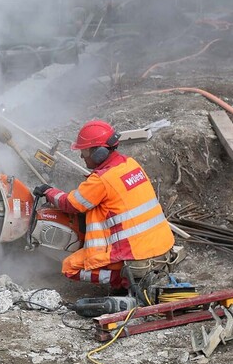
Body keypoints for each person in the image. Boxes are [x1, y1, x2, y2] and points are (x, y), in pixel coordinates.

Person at [33, 120, 174, 293]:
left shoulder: (102, 180)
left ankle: (123, 279)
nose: (81, 156)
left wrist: (49, 191)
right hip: (162, 246)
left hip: (134, 256)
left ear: (99, 152)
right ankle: (131, 276)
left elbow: (70, 204)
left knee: (70, 267)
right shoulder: (130, 164)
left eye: (84, 151)